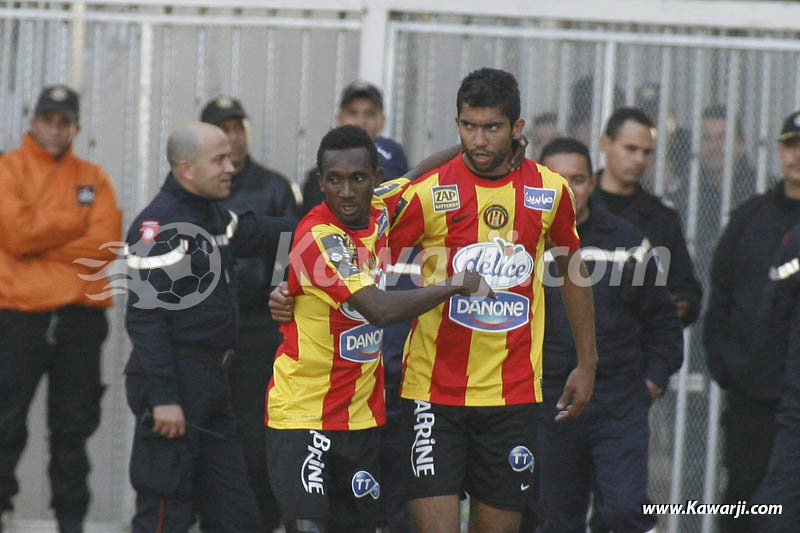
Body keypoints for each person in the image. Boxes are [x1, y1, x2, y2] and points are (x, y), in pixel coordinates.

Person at [275, 68, 598, 533]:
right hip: (431, 395)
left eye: (492, 128)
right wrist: (288, 290)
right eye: (469, 126)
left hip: (512, 395)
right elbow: (357, 249)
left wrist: (588, 363)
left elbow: (572, 271)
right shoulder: (428, 193)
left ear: (517, 129)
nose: (479, 139)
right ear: (457, 123)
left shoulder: (550, 191)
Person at [266, 125, 493, 533]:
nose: (346, 192)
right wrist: (456, 283)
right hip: (303, 418)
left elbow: (418, 173)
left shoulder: (381, 209)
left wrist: (479, 145)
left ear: (375, 179)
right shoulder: (319, 238)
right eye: (334, 180)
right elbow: (381, 311)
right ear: (321, 183)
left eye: (357, 179)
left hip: (360, 421)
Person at [123, 121, 296, 532]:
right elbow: (145, 319)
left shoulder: (212, 216)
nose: (231, 166)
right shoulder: (160, 228)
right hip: (174, 381)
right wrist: (165, 397)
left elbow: (257, 233)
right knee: (167, 509)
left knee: (236, 513)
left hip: (215, 382)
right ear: (187, 169)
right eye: (218, 160)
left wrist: (326, 225)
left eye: (229, 157)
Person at [521, 138, 683, 533]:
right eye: (555, 179)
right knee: (555, 522)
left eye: (577, 179)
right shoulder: (519, 243)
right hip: (549, 405)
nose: (568, 189)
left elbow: (664, 321)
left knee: (624, 513)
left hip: (618, 402)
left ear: (593, 182)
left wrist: (651, 383)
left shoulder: (627, 241)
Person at [0, 85, 122, 533]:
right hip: (18, 316)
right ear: (33, 122)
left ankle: (71, 523)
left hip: (80, 319)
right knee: (5, 425)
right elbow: (14, 234)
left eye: (64, 120)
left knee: (73, 432)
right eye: (48, 119)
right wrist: (73, 223)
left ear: (75, 126)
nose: (55, 128)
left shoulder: (93, 176)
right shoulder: (8, 170)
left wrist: (38, 239)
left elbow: (106, 242)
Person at [200, 94, 299, 532]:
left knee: (259, 440)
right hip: (209, 331)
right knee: (209, 436)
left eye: (238, 127)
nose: (234, 138)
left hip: (261, 330)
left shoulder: (275, 188)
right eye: (223, 130)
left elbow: (290, 260)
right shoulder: (197, 193)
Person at [705, 110, 800, 533]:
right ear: (779, 151)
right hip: (754, 394)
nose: (798, 155)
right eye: (791, 145)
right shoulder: (750, 219)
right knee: (744, 498)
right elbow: (720, 295)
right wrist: (731, 368)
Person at [592, 107, 702, 326]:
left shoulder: (661, 218)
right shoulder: (577, 208)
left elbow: (685, 289)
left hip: (636, 348)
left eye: (646, 152)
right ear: (605, 144)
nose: (639, 159)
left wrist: (678, 305)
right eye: (630, 149)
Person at [301, 80, 408, 214]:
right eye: (352, 113)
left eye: (369, 114)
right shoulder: (317, 178)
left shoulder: (395, 162)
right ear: (339, 119)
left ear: (382, 121)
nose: (360, 121)